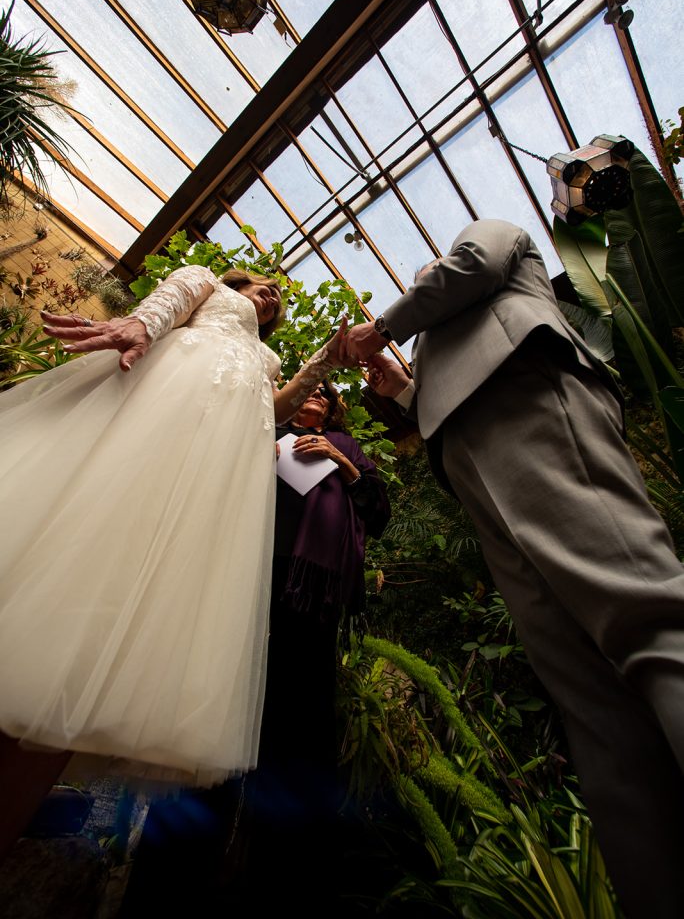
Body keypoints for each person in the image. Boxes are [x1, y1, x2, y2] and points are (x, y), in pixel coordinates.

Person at [346, 218, 684, 919]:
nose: (419, 290)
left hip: (529, 393)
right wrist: (404, 387)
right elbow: (439, 392)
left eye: (421, 285)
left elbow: (474, 262)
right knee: (588, 701)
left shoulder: (492, 243)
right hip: (472, 461)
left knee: (643, 616)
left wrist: (381, 325)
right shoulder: (440, 348)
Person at [0, 263, 352, 861]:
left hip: (207, 474)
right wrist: (140, 325)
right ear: (239, 287)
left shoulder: (263, 359)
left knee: (101, 650)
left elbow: (278, 407)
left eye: (278, 300)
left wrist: (323, 362)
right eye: (264, 287)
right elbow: (173, 297)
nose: (272, 296)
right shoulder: (210, 287)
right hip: (167, 418)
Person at [119, 378, 391, 916]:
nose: (316, 398)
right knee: (218, 700)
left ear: (335, 412)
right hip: (245, 574)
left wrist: (342, 459)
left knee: (300, 716)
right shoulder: (266, 430)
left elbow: (377, 517)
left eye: (326, 397)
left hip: (310, 596)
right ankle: (172, 878)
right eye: (309, 392)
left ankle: (284, 880)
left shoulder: (348, 448)